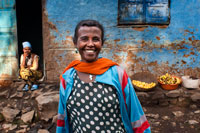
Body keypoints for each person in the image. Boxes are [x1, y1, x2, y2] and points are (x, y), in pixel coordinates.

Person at [56, 20, 151, 133]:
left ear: (102, 43)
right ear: (75, 42)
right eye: (84, 39)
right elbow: (62, 118)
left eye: (95, 39)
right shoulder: (67, 78)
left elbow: (135, 114)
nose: (90, 44)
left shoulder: (118, 74)